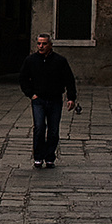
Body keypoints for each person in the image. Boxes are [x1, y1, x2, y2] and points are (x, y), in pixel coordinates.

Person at [18, 34, 79, 169]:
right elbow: (23, 78)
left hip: (55, 99)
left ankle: (50, 156)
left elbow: (69, 80)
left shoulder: (60, 61)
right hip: (38, 100)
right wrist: (31, 94)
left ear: (50, 45)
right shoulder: (31, 60)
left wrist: (71, 98)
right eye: (39, 43)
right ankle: (38, 156)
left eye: (44, 44)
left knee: (53, 130)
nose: (41, 46)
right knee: (39, 127)